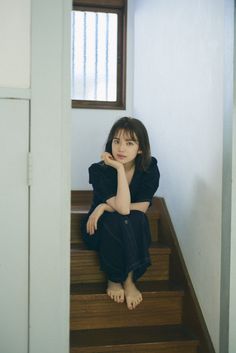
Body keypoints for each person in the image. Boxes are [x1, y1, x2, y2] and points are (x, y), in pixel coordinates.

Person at [80, 117, 160, 310]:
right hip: (98, 229)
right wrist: (118, 168)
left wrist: (104, 206)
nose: (121, 149)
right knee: (117, 219)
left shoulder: (149, 168)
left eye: (129, 143)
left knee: (135, 218)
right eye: (117, 141)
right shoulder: (99, 170)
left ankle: (129, 280)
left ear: (140, 148)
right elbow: (123, 209)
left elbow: (139, 208)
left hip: (131, 226)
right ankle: (114, 279)